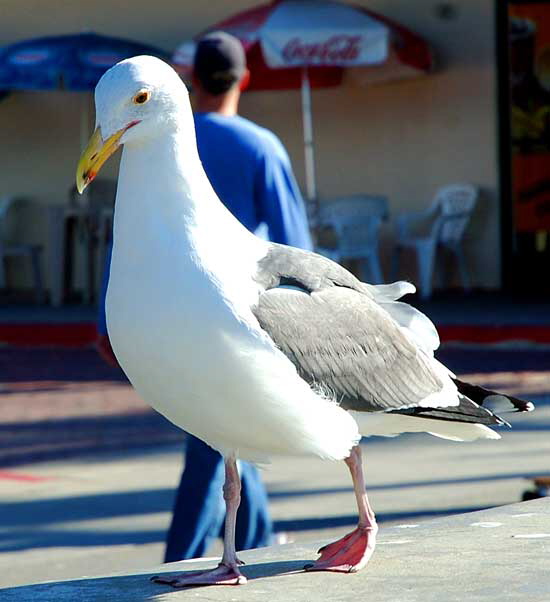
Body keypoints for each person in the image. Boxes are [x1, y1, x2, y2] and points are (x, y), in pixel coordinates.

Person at [96, 31, 312, 562]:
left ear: (190, 82)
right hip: (236, 312)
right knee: (220, 436)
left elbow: (134, 240)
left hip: (154, 309)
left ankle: (249, 543)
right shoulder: (260, 146)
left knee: (224, 437)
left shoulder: (147, 135)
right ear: (245, 80)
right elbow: (294, 249)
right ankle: (190, 553)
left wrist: (107, 321)